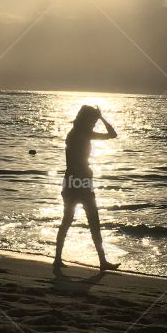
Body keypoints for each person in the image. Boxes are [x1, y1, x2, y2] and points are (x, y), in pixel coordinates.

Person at [53, 104, 119, 275]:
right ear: (86, 119)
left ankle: (58, 259)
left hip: (73, 182)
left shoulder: (76, 133)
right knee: (91, 221)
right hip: (79, 183)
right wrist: (102, 117)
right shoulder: (81, 134)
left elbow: (113, 135)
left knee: (68, 220)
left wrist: (101, 116)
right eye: (93, 120)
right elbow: (112, 134)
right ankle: (101, 261)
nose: (94, 123)